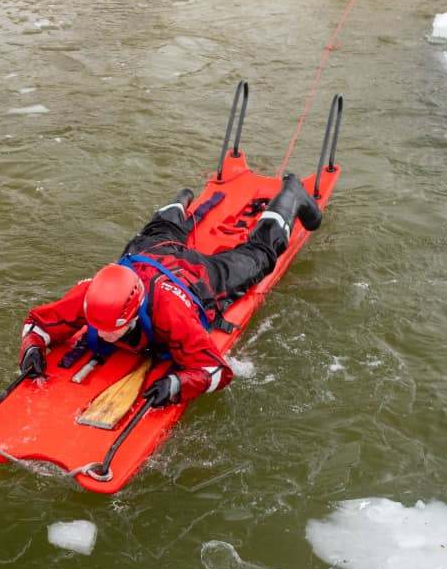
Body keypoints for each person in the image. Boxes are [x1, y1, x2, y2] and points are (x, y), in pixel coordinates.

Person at [18, 172, 323, 406]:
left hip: (195, 275)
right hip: (148, 253)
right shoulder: (92, 294)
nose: (99, 331)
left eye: (110, 329)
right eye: (97, 326)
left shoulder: (171, 312)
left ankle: (291, 195)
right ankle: (180, 201)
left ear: (133, 314)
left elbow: (217, 371)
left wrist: (177, 385)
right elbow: (39, 322)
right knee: (154, 234)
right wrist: (31, 347)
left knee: (259, 257)